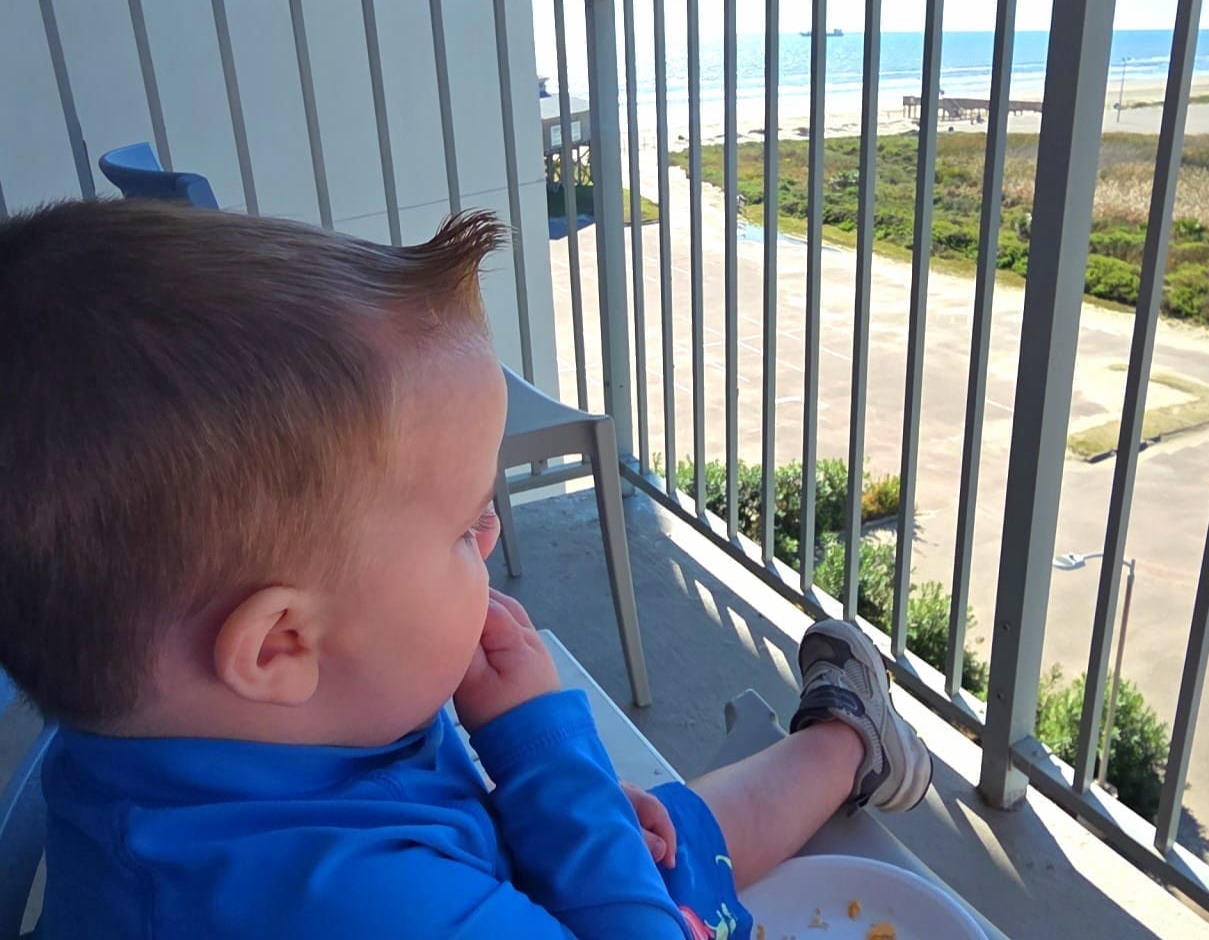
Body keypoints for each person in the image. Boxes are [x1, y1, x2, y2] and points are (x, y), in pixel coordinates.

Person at [0, 199, 933, 939]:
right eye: (460, 527)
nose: (489, 535)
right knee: (652, 849)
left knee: (647, 833)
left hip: (495, 872)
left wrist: (561, 819)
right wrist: (544, 756)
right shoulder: (359, 912)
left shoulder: (193, 743)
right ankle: (848, 742)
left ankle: (851, 743)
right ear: (280, 643)